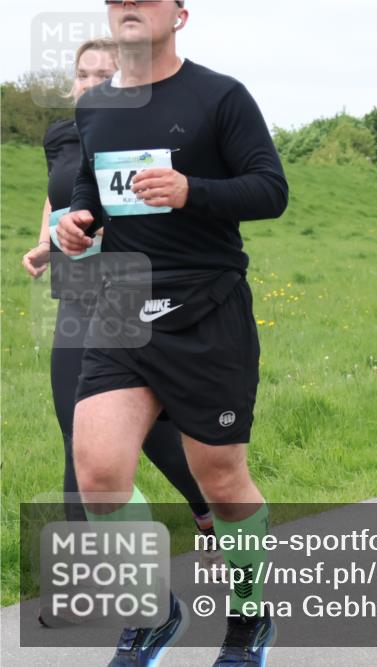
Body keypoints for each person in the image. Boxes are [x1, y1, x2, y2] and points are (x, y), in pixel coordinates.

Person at [56, 1, 287, 664]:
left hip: (206, 306)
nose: (128, 2)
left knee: (220, 477)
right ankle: (154, 612)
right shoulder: (96, 106)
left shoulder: (220, 96)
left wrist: (192, 190)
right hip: (122, 303)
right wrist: (78, 218)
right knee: (100, 473)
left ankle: (249, 615)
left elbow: (271, 190)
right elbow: (90, 187)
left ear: (180, 14)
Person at [21, 38, 219, 562]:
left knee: (147, 426)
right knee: (78, 423)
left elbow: (161, 210)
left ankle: (206, 506)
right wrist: (45, 242)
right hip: (76, 290)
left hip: (131, 289)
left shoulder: (143, 136)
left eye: (103, 74)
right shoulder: (62, 135)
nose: (90, 83)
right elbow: (56, 193)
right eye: (83, 74)